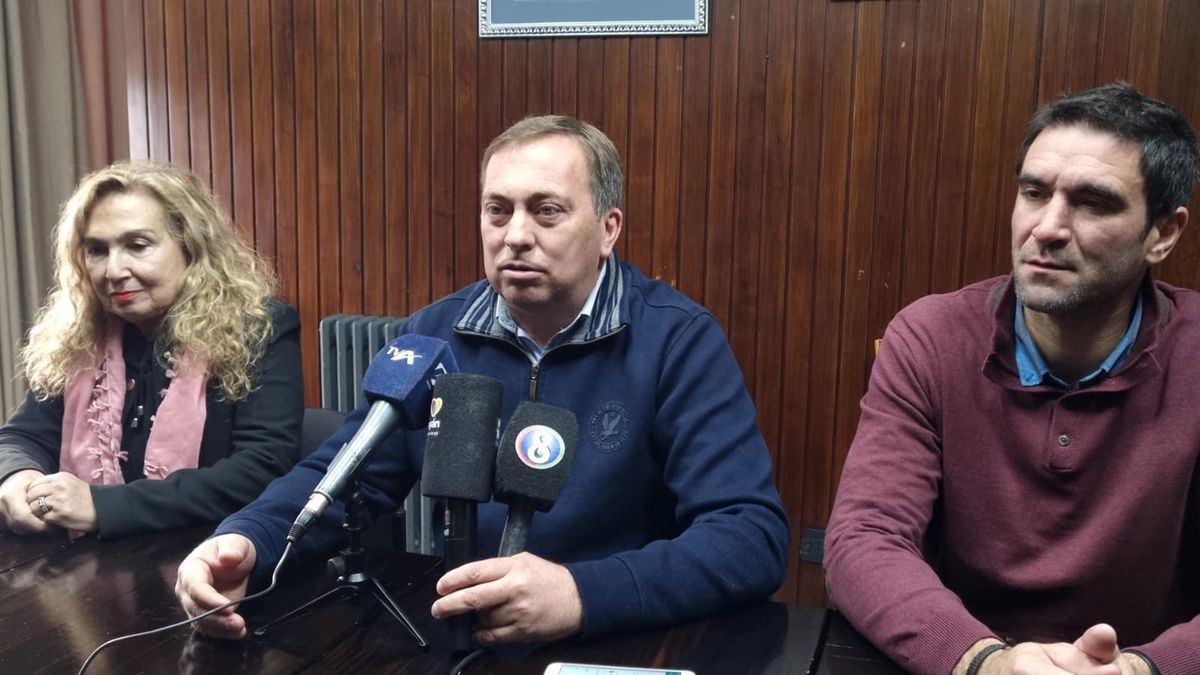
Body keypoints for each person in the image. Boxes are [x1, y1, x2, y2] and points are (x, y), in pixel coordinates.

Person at [175, 115, 790, 645]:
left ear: (608, 228)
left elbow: (749, 536)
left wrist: (582, 594)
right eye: (498, 210)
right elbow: (343, 476)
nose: (516, 235)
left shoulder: (676, 339)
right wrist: (246, 541)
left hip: (620, 639)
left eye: (546, 210)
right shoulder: (433, 335)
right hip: (463, 633)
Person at [825, 83, 1200, 675]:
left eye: (1093, 203)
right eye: (1034, 192)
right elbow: (865, 538)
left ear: (1163, 234)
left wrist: (1143, 669)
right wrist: (985, 662)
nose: (1047, 227)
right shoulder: (929, 336)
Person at [0, 161, 304, 540]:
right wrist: (16, 478)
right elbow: (20, 438)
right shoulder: (81, 335)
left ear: (192, 248)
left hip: (209, 554)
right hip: (89, 565)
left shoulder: (260, 326)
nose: (113, 270)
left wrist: (100, 505)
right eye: (97, 250)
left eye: (137, 246)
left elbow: (262, 469)